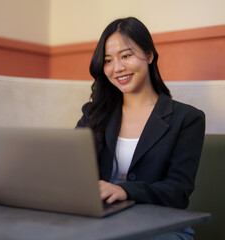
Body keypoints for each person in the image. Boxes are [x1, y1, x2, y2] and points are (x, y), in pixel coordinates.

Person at [76, 17, 205, 240]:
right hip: (100, 222)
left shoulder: (187, 118)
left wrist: (124, 190)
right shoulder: (93, 114)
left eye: (126, 56)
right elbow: (70, 169)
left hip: (162, 226)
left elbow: (177, 191)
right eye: (108, 60)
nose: (117, 68)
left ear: (149, 55)